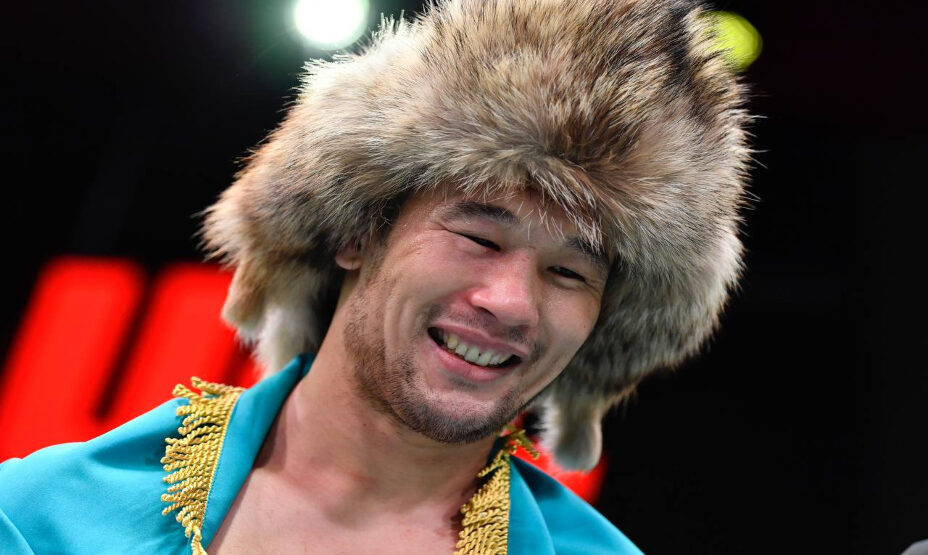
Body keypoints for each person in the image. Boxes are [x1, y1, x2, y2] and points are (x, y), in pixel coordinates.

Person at [0, 0, 750, 553]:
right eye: (479, 237)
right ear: (359, 232)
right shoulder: (40, 518)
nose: (512, 302)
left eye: (568, 273)